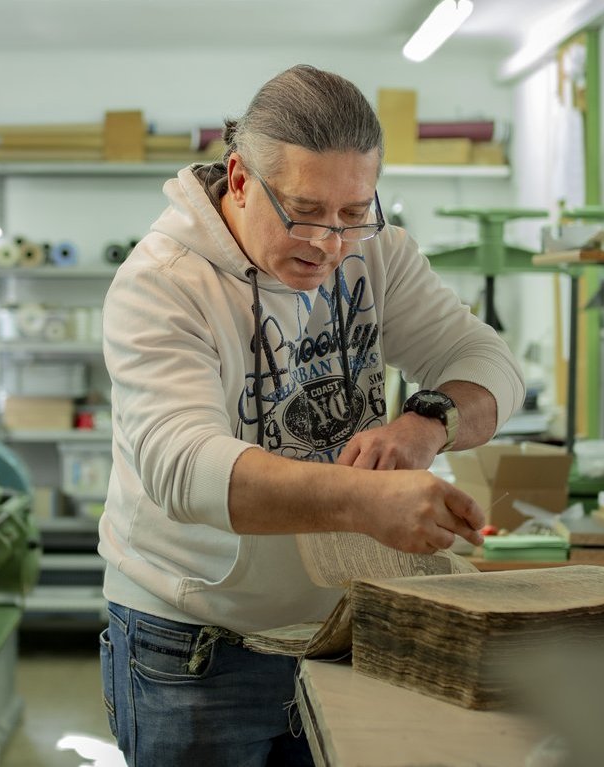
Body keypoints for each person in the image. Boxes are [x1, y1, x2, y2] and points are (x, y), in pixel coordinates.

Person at [98, 65, 525, 766]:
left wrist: (423, 423)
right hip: (196, 647)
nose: (329, 241)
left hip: (347, 628)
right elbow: (184, 468)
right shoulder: (163, 282)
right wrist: (362, 501)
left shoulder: (376, 253)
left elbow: (490, 362)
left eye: (354, 212)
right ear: (239, 180)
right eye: (304, 211)